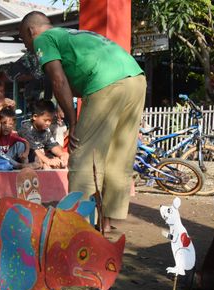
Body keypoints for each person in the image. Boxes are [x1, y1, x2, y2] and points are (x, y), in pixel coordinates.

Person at [20, 11, 146, 231]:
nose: (28, 46)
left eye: (24, 40)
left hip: (105, 83)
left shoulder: (42, 38)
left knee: (83, 156)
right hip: (136, 78)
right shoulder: (71, 34)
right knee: (119, 155)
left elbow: (59, 81)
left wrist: (73, 122)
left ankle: (77, 225)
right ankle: (108, 223)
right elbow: (58, 83)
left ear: (31, 31)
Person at [18, 100, 69, 169]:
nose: (48, 123)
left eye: (50, 120)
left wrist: (62, 154)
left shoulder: (46, 130)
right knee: (45, 166)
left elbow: (53, 145)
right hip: (28, 158)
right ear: (35, 117)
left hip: (41, 157)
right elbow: (34, 150)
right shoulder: (26, 128)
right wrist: (48, 161)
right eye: (45, 120)